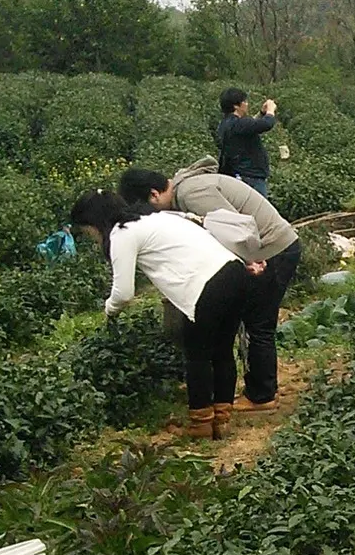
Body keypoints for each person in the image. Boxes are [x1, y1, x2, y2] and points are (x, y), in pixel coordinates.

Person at [70, 187, 265, 442]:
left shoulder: (122, 233)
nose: (91, 236)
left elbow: (124, 292)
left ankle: (201, 424)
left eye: (88, 230)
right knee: (222, 350)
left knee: (197, 356)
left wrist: (110, 310)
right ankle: (222, 418)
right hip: (234, 273)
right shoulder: (154, 217)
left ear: (95, 222)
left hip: (206, 286)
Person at [121, 162, 302, 412]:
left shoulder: (192, 193)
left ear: (154, 194)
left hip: (273, 249)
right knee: (255, 321)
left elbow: (234, 229)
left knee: (258, 323)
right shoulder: (187, 190)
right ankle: (261, 388)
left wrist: (247, 262)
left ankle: (262, 395)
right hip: (268, 248)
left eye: (148, 207)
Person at [216, 89, 280, 194]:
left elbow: (250, 126)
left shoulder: (226, 123)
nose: (247, 104)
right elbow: (267, 124)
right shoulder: (238, 124)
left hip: (239, 174)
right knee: (257, 204)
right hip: (250, 177)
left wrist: (262, 113)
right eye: (244, 102)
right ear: (236, 106)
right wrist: (270, 110)